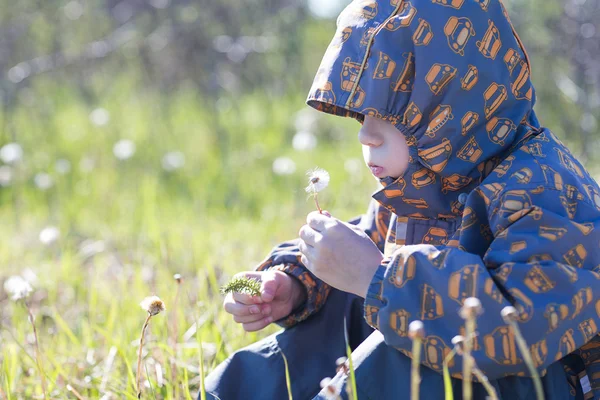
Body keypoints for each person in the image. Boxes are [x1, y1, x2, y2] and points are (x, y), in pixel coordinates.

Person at [204, 0, 600, 398]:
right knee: (351, 299)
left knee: (412, 328)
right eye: (362, 114)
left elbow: (521, 330)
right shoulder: (423, 180)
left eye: (391, 115)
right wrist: (296, 281)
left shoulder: (544, 188)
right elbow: (368, 245)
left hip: (543, 384)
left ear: (454, 103)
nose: (366, 136)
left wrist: (378, 277)